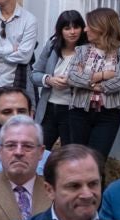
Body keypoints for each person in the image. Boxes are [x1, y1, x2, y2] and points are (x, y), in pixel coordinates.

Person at [63, 6, 120, 157]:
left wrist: (92, 81)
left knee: (97, 160)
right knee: (78, 158)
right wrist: (102, 76)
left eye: (90, 25)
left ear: (102, 27)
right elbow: (72, 77)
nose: (85, 29)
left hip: (108, 114)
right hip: (79, 111)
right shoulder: (82, 50)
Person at [34, 8, 88, 147]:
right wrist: (49, 80)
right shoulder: (52, 46)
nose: (72, 32)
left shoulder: (88, 50)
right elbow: (34, 74)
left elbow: (91, 78)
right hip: (49, 107)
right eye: (67, 28)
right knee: (39, 147)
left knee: (69, 152)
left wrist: (72, 82)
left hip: (73, 110)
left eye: (76, 27)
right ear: (60, 30)